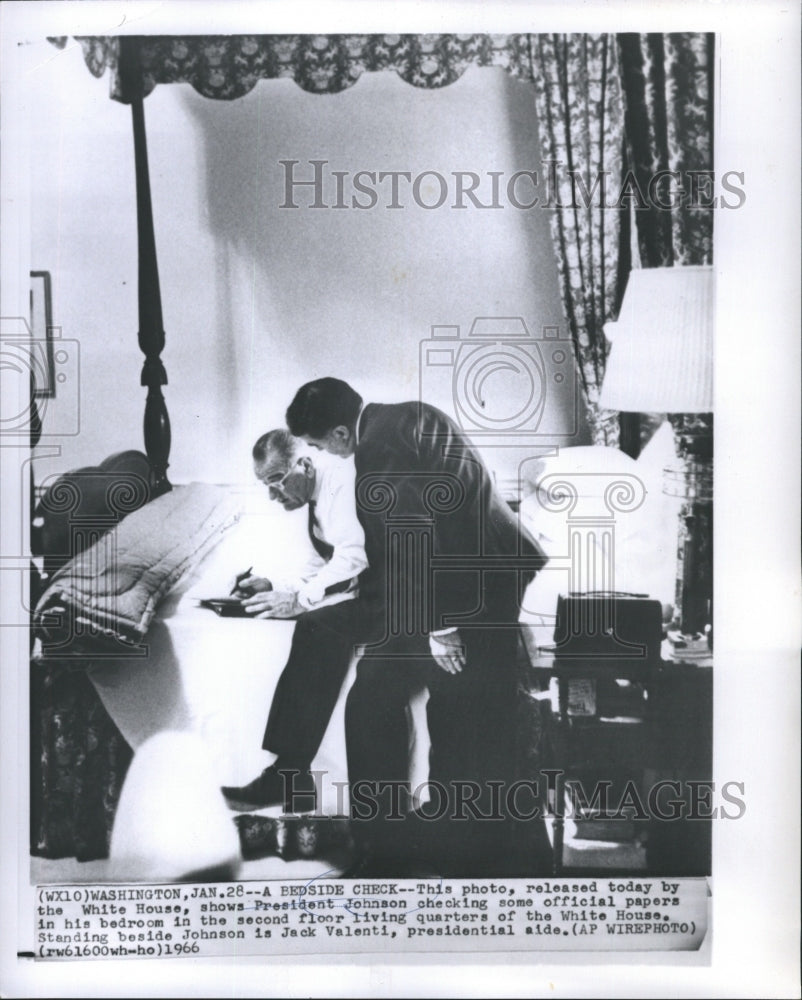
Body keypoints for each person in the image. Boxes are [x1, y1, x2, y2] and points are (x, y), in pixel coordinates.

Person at [284, 377, 552, 876]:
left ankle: (427, 843)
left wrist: (440, 625)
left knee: (451, 703)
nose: (327, 456)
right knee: (375, 693)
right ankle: (391, 836)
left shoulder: (381, 444)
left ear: (342, 433)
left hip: (475, 583)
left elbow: (414, 535)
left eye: (321, 447)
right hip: (471, 573)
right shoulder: (400, 415)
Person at [220, 429, 367, 813]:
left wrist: (301, 600)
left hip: (394, 595)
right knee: (313, 620)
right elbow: (319, 568)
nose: (272, 495)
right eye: (265, 485)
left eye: (275, 482)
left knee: (317, 625)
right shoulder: (317, 499)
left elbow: (353, 558)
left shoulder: (342, 486)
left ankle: (290, 773)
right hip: (366, 591)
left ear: (303, 464)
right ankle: (291, 776)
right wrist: (274, 584)